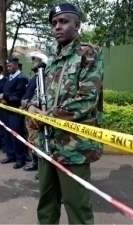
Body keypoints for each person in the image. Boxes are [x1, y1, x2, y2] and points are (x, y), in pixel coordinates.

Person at [26, 2, 104, 224]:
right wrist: (32, 108)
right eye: (54, 23)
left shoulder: (89, 54)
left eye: (63, 21)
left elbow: (87, 100)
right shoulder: (51, 60)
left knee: (77, 206)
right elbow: (40, 94)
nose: (57, 27)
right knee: (47, 203)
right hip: (46, 143)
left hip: (73, 148)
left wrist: (47, 116)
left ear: (77, 24)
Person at [21, 51, 48, 177]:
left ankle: (41, 168)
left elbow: (42, 96)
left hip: (37, 113)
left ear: (42, 63)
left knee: (38, 141)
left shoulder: (43, 78)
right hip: (30, 112)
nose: (32, 62)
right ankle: (35, 163)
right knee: (32, 140)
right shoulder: (35, 77)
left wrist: (30, 103)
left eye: (35, 60)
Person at [0, 57, 29, 169]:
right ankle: (10, 155)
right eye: (7, 66)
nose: (8, 68)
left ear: (16, 65)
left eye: (10, 66)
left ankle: (20, 159)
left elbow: (19, 97)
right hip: (6, 110)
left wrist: (4, 96)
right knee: (7, 134)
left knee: (16, 135)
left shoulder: (22, 78)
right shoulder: (9, 78)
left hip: (15, 112)